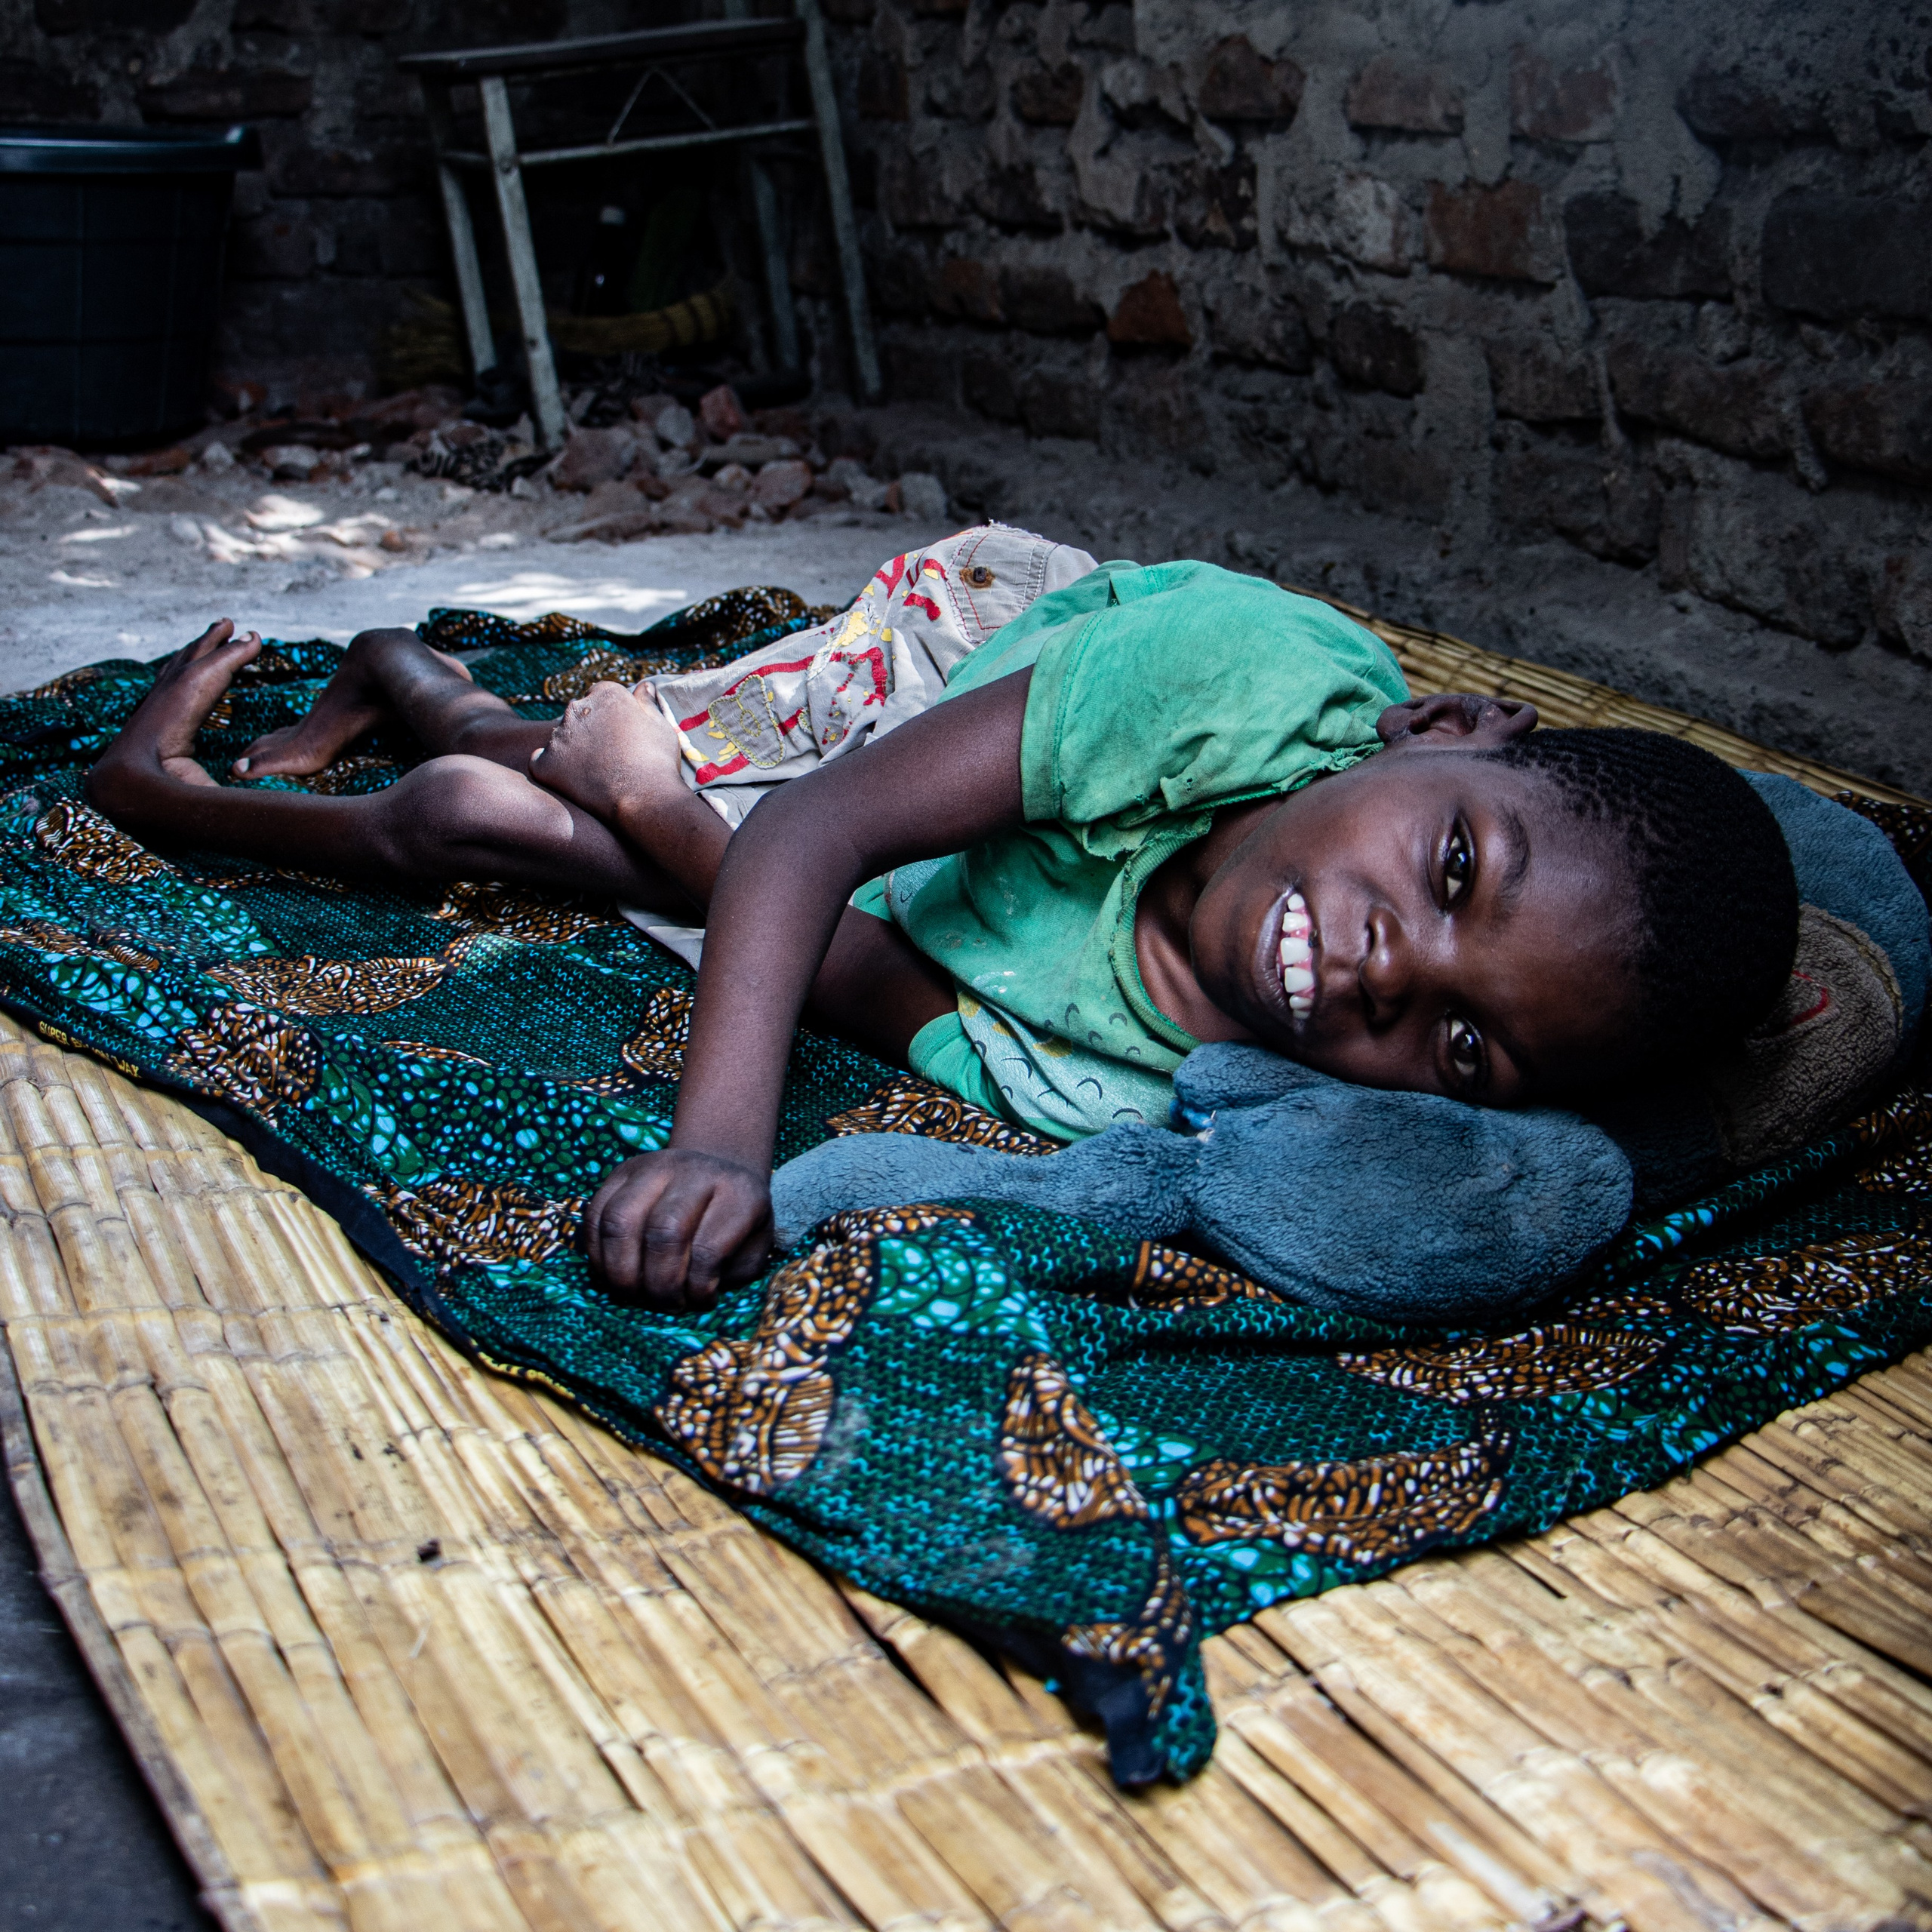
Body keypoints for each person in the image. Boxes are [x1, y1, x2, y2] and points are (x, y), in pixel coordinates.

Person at [85, 527, 1800, 1311]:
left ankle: (409, 685)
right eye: (1449, 875)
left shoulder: (1170, 1095)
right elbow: (828, 826)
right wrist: (721, 1150)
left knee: (497, 815)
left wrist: (673, 847)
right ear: (1432, 733)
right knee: (598, 761)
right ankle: (164, 781)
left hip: (897, 884)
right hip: (941, 692)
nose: (1386, 964)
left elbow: (865, 975)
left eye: (1464, 1037)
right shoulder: (1234, 685)